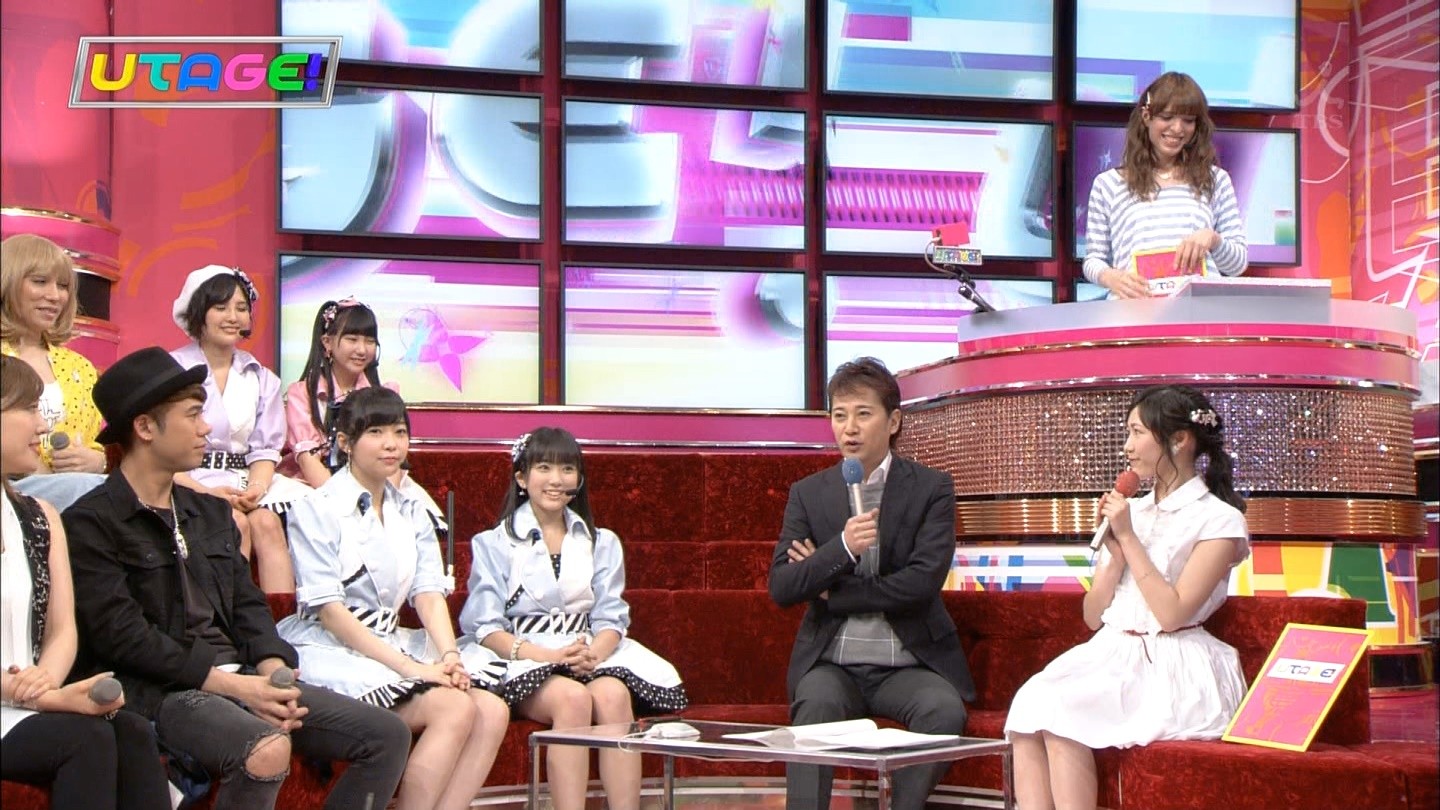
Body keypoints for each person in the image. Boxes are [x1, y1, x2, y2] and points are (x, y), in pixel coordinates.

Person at [62, 347, 411, 810]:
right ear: (145, 428)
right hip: (160, 689)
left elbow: (248, 605)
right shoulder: (90, 522)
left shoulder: (209, 512)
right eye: (193, 415)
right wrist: (234, 687)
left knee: (387, 734)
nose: (207, 428)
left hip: (241, 675)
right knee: (264, 748)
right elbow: (123, 639)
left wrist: (271, 670)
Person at [1005, 384, 1250, 810]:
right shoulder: (1131, 510)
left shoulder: (1219, 520)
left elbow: (1172, 614)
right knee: (1029, 706)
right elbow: (1091, 616)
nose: (1127, 446)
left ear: (1179, 439)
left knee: (1061, 710)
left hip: (1172, 661)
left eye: (1137, 433)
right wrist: (1115, 556)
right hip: (1112, 651)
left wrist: (1130, 540)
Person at [278, 386, 510, 810]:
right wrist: (412, 669)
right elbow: (330, 613)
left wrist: (449, 657)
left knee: (492, 711)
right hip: (335, 647)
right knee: (453, 709)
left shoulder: (413, 508)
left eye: (400, 432)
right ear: (345, 442)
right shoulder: (317, 507)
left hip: (394, 641)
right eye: (376, 432)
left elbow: (428, 593)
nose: (391, 444)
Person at [769, 357, 972, 810]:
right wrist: (841, 548)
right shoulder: (809, 493)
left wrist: (832, 591)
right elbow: (783, 585)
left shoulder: (931, 489)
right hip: (833, 664)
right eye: (839, 415)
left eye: (863, 414)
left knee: (943, 711)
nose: (849, 429)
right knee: (815, 707)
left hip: (909, 664)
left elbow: (921, 583)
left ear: (893, 421)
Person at [458, 427, 687, 810]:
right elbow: (485, 628)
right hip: (523, 657)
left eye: (567, 469)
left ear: (578, 479)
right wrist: (550, 657)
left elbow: (611, 618)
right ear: (522, 478)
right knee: (573, 699)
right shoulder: (493, 543)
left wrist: (591, 656)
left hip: (587, 652)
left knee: (613, 695)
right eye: (544, 468)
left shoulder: (602, 541)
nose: (556, 479)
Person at [0, 355, 172, 810]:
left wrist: (45, 685)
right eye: (29, 409)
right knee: (86, 738)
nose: (44, 425)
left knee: (131, 728)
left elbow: (62, 631)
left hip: (28, 700)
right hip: (17, 700)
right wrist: (30, 693)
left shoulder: (40, 517)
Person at [170, 265, 311, 592]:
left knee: (267, 523)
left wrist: (255, 491)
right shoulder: (172, 369)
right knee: (234, 523)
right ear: (199, 311)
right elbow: (159, 453)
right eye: (221, 308)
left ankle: (282, 619)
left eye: (241, 308)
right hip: (186, 479)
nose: (233, 317)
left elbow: (265, 451)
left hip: (245, 482)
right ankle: (231, 619)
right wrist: (207, 493)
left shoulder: (262, 377)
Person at [1082, 72, 1248, 299]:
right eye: (1167, 117)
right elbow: (1093, 259)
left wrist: (1213, 239)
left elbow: (1237, 265)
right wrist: (1111, 277)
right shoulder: (1108, 184)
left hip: (1199, 311)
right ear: (1146, 116)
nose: (1177, 129)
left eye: (1188, 121)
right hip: (1134, 310)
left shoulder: (1216, 180)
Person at [282, 298, 443, 520]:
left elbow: (392, 460)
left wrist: (378, 504)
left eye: (369, 340)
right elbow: (308, 461)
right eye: (352, 339)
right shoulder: (303, 394)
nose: (361, 349)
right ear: (327, 342)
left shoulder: (385, 394)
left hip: (376, 485)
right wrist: (349, 504)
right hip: (315, 486)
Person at [0, 234, 107, 511]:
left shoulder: (80, 367)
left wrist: (97, 461)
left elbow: (94, 442)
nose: (54, 296)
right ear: (7, 282)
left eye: (63, 286)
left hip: (72, 493)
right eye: (39, 281)